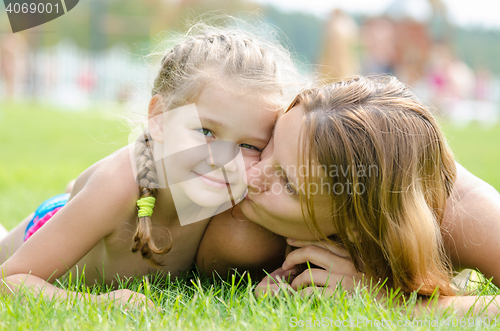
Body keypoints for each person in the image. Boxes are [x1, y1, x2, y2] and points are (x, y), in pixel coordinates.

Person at [0, 23, 299, 306]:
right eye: (206, 132)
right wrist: (100, 303)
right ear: (158, 118)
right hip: (49, 225)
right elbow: (10, 279)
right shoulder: (119, 184)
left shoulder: (240, 191)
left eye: (248, 146)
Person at [195, 76, 500, 315]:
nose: (250, 175)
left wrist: (394, 303)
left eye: (289, 185)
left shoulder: (465, 212)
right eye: (271, 143)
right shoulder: (270, 158)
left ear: (356, 224)